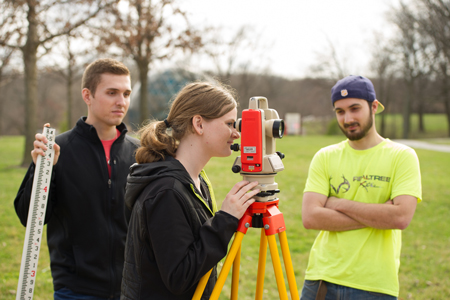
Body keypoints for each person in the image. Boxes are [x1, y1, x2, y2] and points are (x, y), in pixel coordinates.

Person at [120, 81, 260, 300]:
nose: (236, 134)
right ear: (199, 124)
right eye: (230, 124)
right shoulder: (166, 191)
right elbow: (179, 277)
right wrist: (225, 220)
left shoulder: (197, 180)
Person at [14, 58, 140, 300]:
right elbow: (27, 218)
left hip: (132, 289)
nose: (121, 101)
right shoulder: (57, 149)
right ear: (87, 95)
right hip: (75, 290)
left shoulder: (141, 154)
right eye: (112, 92)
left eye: (126, 93)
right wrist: (41, 169)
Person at [300, 75, 422, 300]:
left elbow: (400, 218)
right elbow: (310, 218)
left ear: (374, 106)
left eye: (355, 108)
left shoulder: (402, 156)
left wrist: (337, 204)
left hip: (375, 285)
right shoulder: (325, 157)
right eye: (340, 111)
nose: (348, 118)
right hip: (321, 278)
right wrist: (378, 215)